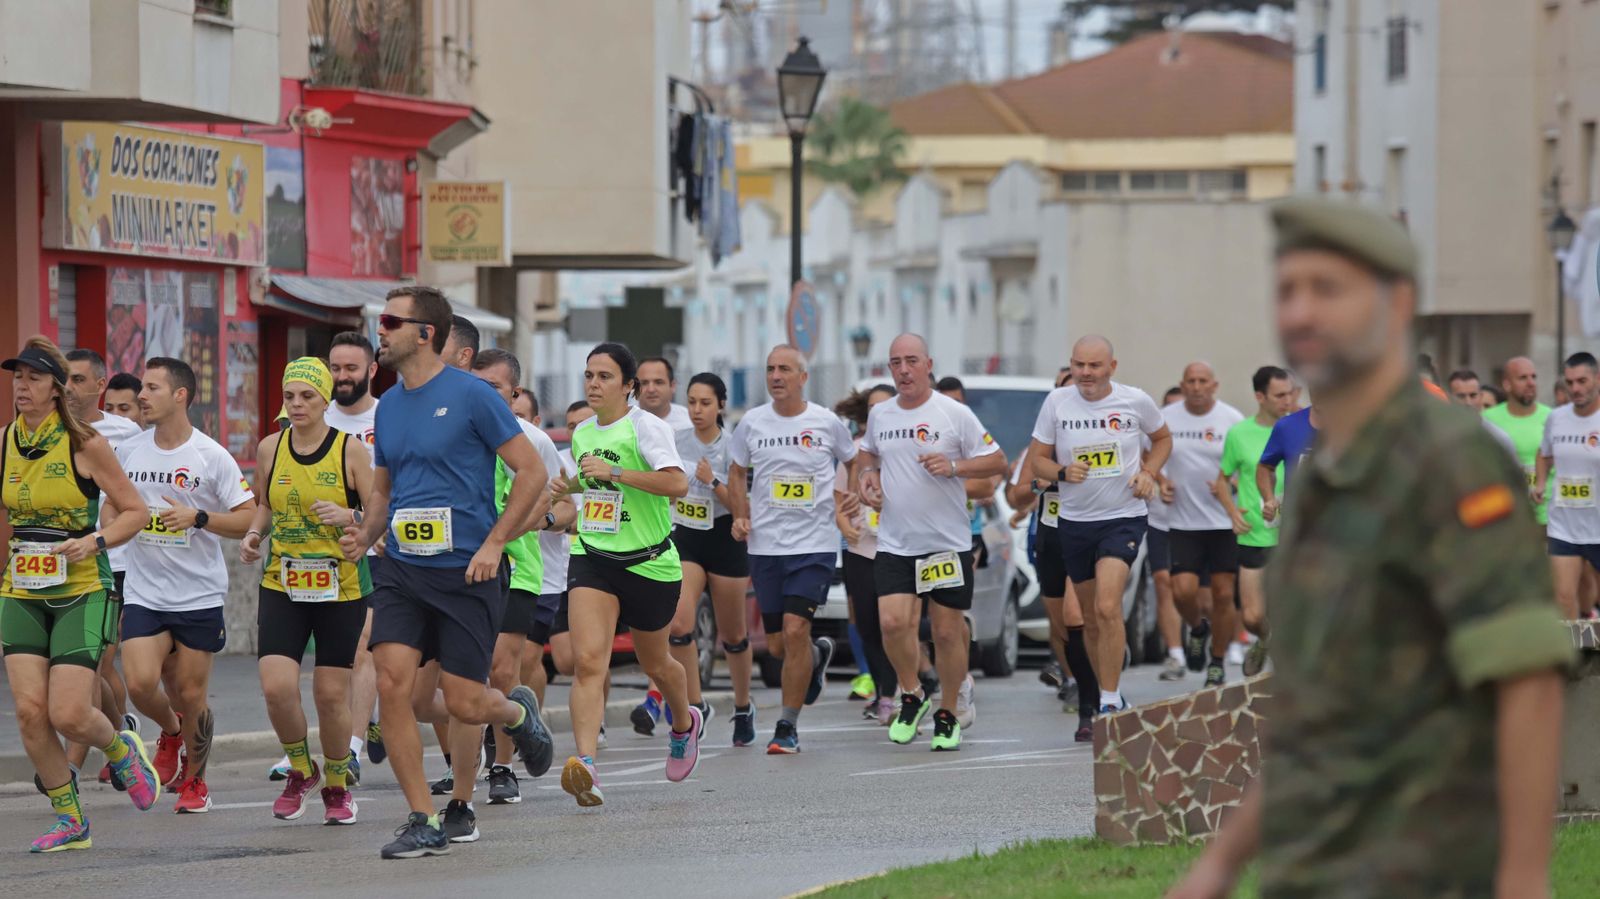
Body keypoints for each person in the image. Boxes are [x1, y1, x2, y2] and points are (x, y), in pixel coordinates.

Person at [1171, 196, 1572, 899]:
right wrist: (1221, 863)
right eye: (1287, 290)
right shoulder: (1324, 471)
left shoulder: (1452, 460)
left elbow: (1528, 685)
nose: (1300, 312)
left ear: (1396, 302)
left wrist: (1523, 879)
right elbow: (1316, 706)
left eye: (1327, 289)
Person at [336, 286, 551, 859]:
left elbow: (530, 472)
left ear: (425, 332)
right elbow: (384, 488)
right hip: (402, 569)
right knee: (392, 686)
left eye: (390, 321)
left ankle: (516, 712)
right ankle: (423, 818)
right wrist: (367, 535)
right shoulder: (391, 404)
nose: (379, 330)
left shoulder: (473, 396)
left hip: (467, 573)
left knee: (464, 702)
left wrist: (495, 543)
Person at [1, 337, 159, 852]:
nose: (22, 387)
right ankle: (72, 820)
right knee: (29, 711)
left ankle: (121, 753)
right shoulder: (4, 441)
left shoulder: (85, 444)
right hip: (21, 588)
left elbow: (135, 511)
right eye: (17, 377)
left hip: (81, 589)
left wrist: (93, 541)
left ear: (55, 389)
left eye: (34, 378)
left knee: (68, 713)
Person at [550, 342, 702, 807]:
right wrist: (570, 484)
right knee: (588, 661)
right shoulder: (582, 433)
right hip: (594, 557)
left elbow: (677, 483)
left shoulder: (646, 427)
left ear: (628, 385)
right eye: (589, 376)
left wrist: (616, 472)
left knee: (656, 663)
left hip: (649, 562)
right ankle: (587, 768)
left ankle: (683, 722)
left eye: (605, 376)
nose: (594, 384)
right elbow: (591, 478)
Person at [111, 357, 256, 814]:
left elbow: (248, 517)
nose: (141, 396)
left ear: (180, 395)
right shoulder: (129, 450)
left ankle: (196, 780)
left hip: (197, 593)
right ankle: (171, 731)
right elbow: (109, 509)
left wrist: (197, 517)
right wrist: (122, 524)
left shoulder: (210, 455)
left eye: (151, 388)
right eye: (142, 388)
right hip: (145, 589)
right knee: (138, 682)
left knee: (193, 694)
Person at [857, 333, 1007, 751]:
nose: (903, 370)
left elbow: (998, 460)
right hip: (895, 540)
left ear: (928, 365)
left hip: (946, 543)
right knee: (892, 623)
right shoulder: (882, 415)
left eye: (911, 361)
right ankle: (912, 694)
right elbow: (867, 455)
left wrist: (955, 465)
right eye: (895, 363)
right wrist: (867, 477)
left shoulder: (953, 413)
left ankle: (948, 711)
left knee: (945, 632)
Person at [239, 357, 372, 825]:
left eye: (307, 396)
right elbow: (263, 504)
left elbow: (379, 516)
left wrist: (350, 518)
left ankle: (336, 782)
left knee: (330, 694)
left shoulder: (350, 450)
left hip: (340, 586)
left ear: (325, 400)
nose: (296, 405)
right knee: (276, 687)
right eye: (290, 396)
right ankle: (301, 770)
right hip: (283, 581)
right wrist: (254, 535)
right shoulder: (270, 448)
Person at [1029, 336, 1170, 714]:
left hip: (1122, 518)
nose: (1086, 373)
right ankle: (1108, 688)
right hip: (1074, 522)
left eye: (1094, 366)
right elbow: (1036, 462)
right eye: (1079, 365)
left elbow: (1162, 438)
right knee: (1090, 619)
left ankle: (1108, 699)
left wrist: (1149, 472)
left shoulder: (1134, 400)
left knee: (1108, 607)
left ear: (1112, 367)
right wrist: (1061, 471)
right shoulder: (1056, 402)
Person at [727, 346, 855, 754]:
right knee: (781, 645)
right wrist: (740, 514)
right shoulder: (751, 424)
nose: (776, 375)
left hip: (813, 545)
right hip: (766, 547)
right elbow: (735, 470)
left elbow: (854, 460)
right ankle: (817, 656)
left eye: (785, 369)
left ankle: (787, 726)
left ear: (803, 377)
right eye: (770, 369)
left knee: (796, 630)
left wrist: (845, 501)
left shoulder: (825, 422)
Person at [471, 348, 568, 806]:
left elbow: (562, 502)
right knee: (460, 675)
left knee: (501, 667)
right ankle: (481, 748)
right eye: (477, 384)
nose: (483, 394)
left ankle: (502, 768)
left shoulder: (533, 441)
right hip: (462, 563)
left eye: (493, 387)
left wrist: (528, 523)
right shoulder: (459, 434)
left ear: (515, 393)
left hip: (520, 566)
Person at [61, 349, 143, 784]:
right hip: (59, 563)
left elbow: (135, 494)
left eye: (77, 380)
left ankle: (69, 766)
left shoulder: (125, 434)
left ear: (99, 385)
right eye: (64, 380)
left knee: (95, 663)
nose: (68, 388)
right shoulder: (47, 432)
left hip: (115, 559)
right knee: (101, 668)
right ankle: (123, 733)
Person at [669, 373, 753, 745]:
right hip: (687, 535)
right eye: (691, 402)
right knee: (679, 624)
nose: (697, 410)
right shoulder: (676, 441)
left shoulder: (733, 445)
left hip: (725, 537)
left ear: (721, 405)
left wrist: (713, 480)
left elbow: (742, 508)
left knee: (733, 635)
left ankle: (742, 705)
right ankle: (695, 702)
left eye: (705, 403)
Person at [1160, 363, 1243, 687]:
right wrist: (1159, 479)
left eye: (1202, 381)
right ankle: (1196, 628)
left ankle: (1217, 661)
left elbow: (1249, 463)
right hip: (1183, 519)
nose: (1196, 387)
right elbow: (1143, 453)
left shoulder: (1231, 419)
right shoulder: (1167, 416)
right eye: (1190, 381)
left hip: (1223, 520)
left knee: (1223, 595)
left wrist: (1234, 482)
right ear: (1183, 384)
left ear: (1214, 385)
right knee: (1181, 591)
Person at [324, 331, 382, 772]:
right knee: (337, 658)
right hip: (322, 558)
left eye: (351, 368)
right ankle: (366, 719)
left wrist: (371, 524)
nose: (341, 377)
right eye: (335, 368)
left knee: (364, 645)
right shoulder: (308, 416)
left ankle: (354, 748)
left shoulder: (392, 418)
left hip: (382, 552)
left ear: (371, 371)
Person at [1215, 367, 1294, 678]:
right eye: (1280, 395)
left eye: (1291, 393)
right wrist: (1232, 513)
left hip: (1294, 536)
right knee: (1251, 615)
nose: (1288, 401)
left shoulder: (1304, 429)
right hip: (1255, 534)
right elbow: (1221, 480)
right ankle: (1266, 639)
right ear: (1260, 397)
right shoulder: (1240, 433)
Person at [837, 384, 900, 725]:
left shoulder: (903, 446)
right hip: (861, 548)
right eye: (872, 408)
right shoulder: (857, 450)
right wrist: (844, 525)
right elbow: (841, 499)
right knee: (867, 626)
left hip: (897, 549)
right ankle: (882, 689)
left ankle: (894, 692)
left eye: (884, 406)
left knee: (893, 624)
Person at [1534, 352, 1600, 621]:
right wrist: (1540, 481)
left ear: (1598, 379)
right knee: (1563, 597)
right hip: (1564, 525)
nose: (1575, 388)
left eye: (1582, 381)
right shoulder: (1557, 418)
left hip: (1598, 526)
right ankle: (1580, 655)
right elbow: (1544, 452)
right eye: (1570, 382)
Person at [1483, 356, 1551, 528]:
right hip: (1509, 521)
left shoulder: (1553, 417)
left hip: (1550, 519)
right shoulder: (1487, 420)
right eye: (1523, 378)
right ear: (1507, 384)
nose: (1531, 383)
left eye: (1533, 377)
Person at [1149, 387, 1187, 684]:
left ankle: (1199, 630)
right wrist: (1160, 480)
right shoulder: (1154, 424)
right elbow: (1139, 454)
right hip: (1160, 519)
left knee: (1196, 592)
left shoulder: (1214, 423)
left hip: (1200, 522)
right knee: (1164, 583)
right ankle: (1176, 653)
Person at [636, 356, 692, 432]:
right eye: (644, 383)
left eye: (658, 382)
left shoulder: (689, 423)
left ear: (672, 386)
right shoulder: (623, 421)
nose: (651, 389)